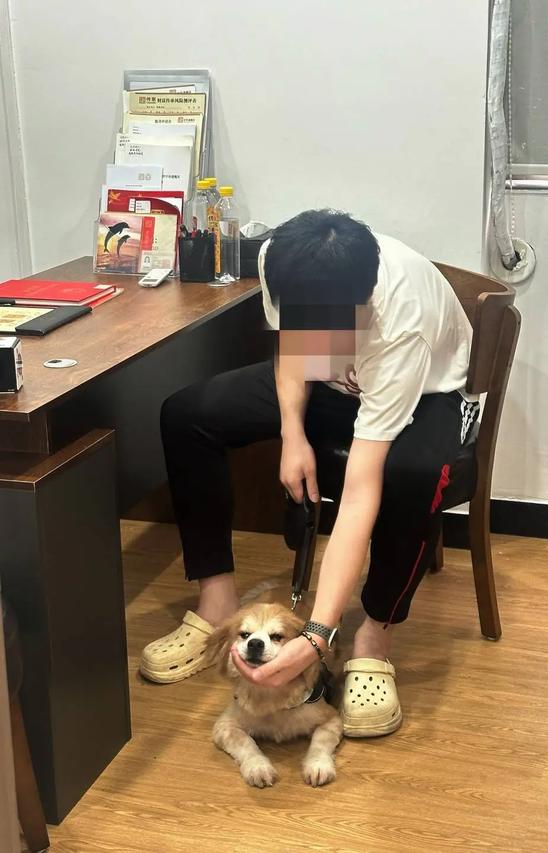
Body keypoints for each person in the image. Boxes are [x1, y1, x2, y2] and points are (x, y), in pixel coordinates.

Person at [140, 209, 478, 737]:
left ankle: (375, 637)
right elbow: (295, 349)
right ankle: (217, 600)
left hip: (424, 392)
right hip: (332, 383)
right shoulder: (280, 259)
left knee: (413, 474)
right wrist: (292, 432)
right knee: (188, 415)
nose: (314, 330)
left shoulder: (400, 323)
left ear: (362, 303)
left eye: (331, 324)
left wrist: (317, 635)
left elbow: (361, 492)